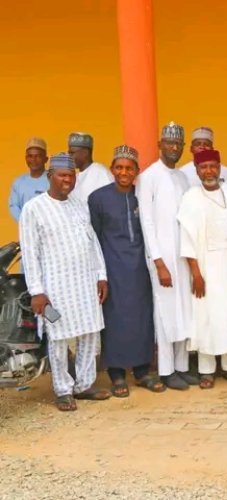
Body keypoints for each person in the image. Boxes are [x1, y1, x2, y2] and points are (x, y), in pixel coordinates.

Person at [19, 153, 111, 411]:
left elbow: (93, 243)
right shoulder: (33, 209)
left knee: (90, 333)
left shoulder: (80, 204)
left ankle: (84, 385)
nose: (67, 180)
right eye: (62, 175)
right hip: (54, 289)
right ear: (50, 176)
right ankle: (62, 390)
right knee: (58, 337)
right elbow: (30, 252)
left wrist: (101, 275)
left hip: (85, 283)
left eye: (71, 176)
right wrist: (37, 291)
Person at [88, 145, 165, 397]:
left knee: (142, 318)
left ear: (136, 171)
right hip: (112, 268)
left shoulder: (141, 196)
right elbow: (93, 239)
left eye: (129, 168)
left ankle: (142, 372)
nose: (124, 172)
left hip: (140, 268)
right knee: (115, 319)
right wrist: (98, 274)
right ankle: (117, 374)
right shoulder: (98, 198)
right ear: (112, 169)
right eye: (119, 167)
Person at [137, 122, 197, 390]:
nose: (174, 148)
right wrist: (158, 261)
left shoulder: (182, 177)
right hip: (162, 257)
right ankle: (166, 369)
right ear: (159, 145)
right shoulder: (149, 177)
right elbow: (147, 221)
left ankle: (182, 367)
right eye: (169, 143)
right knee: (165, 313)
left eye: (178, 144)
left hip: (183, 254)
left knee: (184, 310)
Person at [177, 149, 227, 389]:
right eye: (203, 167)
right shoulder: (191, 197)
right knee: (204, 317)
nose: (209, 171)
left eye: (213, 166)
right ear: (196, 171)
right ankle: (206, 370)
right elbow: (186, 238)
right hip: (203, 267)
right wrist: (196, 273)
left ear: (220, 167)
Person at [9, 137, 48, 222]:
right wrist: (26, 223)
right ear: (26, 158)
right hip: (26, 227)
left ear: (46, 159)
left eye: (38, 156)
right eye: (30, 156)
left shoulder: (54, 180)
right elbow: (14, 206)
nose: (33, 160)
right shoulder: (18, 182)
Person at [68, 132, 114, 203]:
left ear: (85, 153)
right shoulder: (76, 177)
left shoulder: (100, 173)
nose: (69, 156)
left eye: (72, 153)